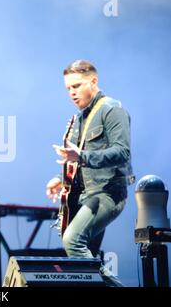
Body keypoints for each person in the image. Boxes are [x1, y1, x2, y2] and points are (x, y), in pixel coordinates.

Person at [46, 60, 134, 286]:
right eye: (68, 88)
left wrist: (82, 157)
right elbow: (75, 157)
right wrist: (60, 178)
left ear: (93, 81)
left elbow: (122, 152)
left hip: (107, 193)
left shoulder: (112, 109)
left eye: (76, 86)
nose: (71, 93)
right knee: (84, 270)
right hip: (84, 197)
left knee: (73, 241)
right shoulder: (79, 118)